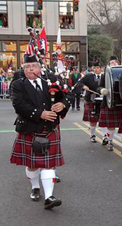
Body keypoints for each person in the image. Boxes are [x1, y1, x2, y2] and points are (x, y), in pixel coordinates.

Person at [9, 53, 69, 209]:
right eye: (27, 67)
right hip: (30, 129)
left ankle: (49, 196)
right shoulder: (18, 85)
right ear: (23, 69)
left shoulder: (50, 82)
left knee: (48, 165)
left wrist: (62, 105)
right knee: (32, 165)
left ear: (40, 68)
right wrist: (40, 114)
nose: (31, 69)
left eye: (34, 66)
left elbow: (64, 98)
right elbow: (19, 105)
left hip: (49, 129)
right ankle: (35, 187)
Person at [97, 56, 122, 151]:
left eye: (115, 62)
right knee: (111, 126)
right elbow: (99, 87)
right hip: (109, 102)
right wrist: (102, 90)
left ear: (118, 63)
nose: (113, 63)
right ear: (109, 64)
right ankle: (110, 141)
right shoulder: (105, 75)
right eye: (111, 62)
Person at [78, 62, 104, 143]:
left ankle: (105, 137)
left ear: (101, 68)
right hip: (91, 100)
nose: (96, 69)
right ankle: (92, 135)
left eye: (98, 67)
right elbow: (79, 83)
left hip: (103, 100)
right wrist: (83, 86)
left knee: (103, 120)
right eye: (95, 67)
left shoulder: (104, 77)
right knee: (93, 120)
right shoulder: (88, 76)